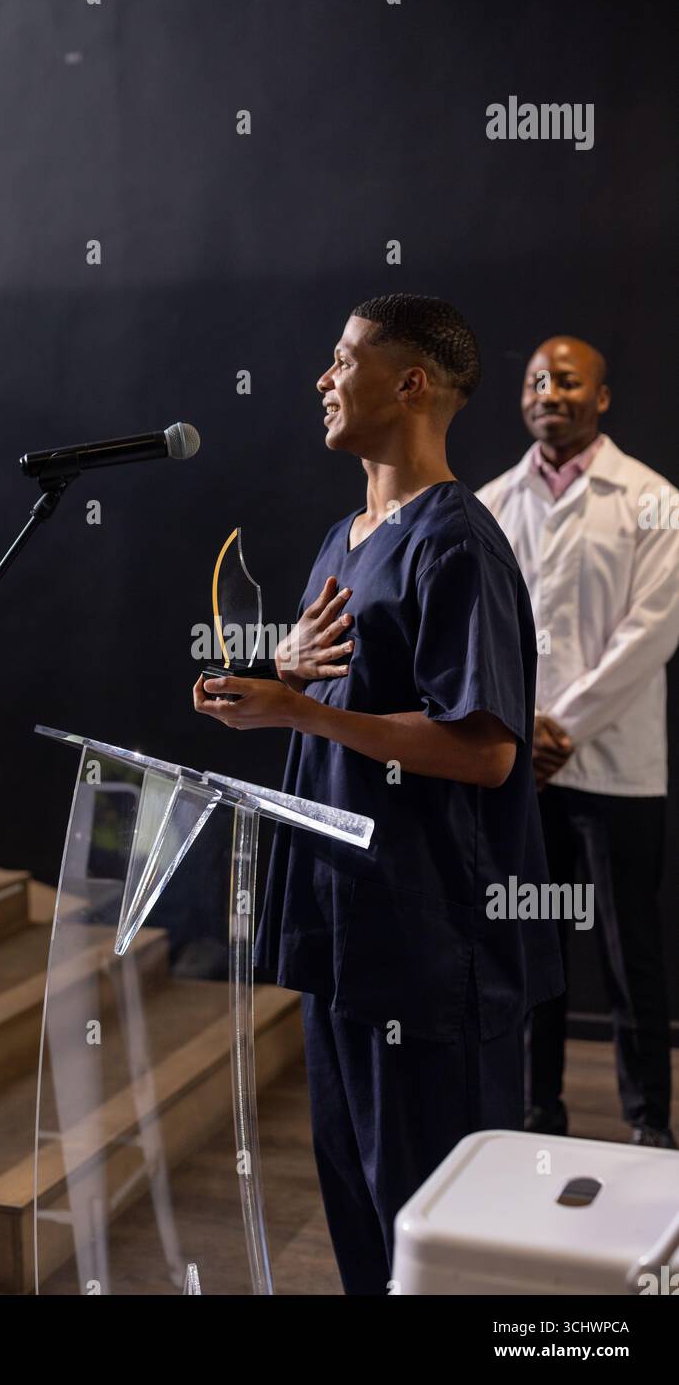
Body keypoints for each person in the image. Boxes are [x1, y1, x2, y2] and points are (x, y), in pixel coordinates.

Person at [193, 293, 564, 1294]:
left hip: (428, 952)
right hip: (343, 939)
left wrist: (299, 711)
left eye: (342, 359)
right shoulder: (342, 537)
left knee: (438, 1242)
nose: (322, 379)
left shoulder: (457, 542)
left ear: (410, 383)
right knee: (362, 1216)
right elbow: (340, 695)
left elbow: (485, 752)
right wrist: (276, 677)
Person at [477, 336, 679, 1149]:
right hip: (522, 767)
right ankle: (537, 1110)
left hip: (616, 767)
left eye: (565, 381)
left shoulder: (653, 500)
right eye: (535, 381)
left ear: (599, 397)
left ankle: (648, 1119)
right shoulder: (490, 503)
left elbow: (653, 627)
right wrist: (522, 726)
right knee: (533, 941)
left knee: (632, 950)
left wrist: (560, 726)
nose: (547, 392)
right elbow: (485, 632)